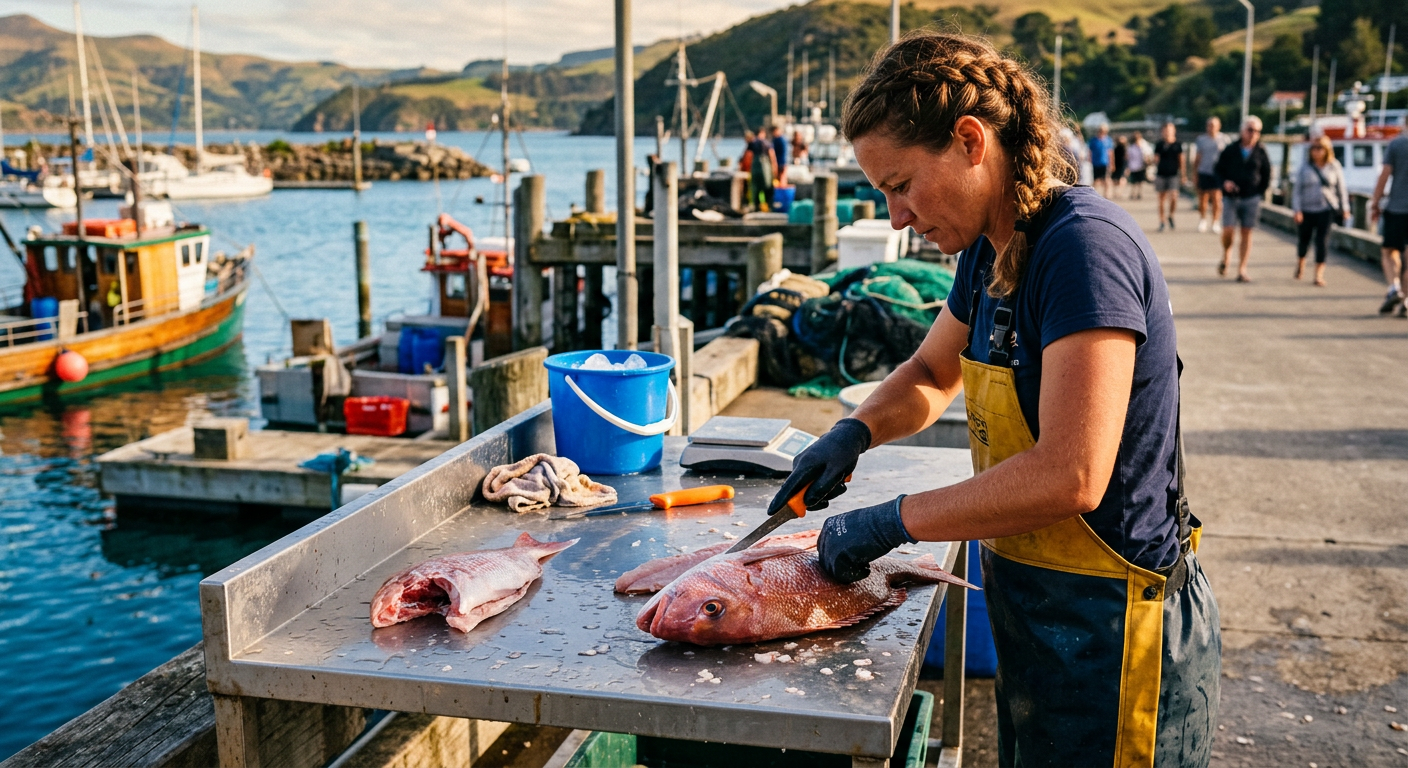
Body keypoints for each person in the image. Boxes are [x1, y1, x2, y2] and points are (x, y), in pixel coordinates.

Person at [776, 32, 1219, 766]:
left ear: (971, 141)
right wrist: (852, 434)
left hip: (1116, 634)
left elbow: (1071, 474)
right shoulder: (990, 248)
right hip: (1036, 615)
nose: (894, 218)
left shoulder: (1083, 251)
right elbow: (930, 374)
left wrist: (892, 523)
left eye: (902, 183)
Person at [1214, 116, 1271, 282]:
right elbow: (1218, 170)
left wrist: (1259, 192)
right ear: (1242, 130)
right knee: (1228, 230)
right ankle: (1226, 255)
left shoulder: (1261, 151)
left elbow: (1267, 174)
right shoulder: (1230, 149)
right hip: (1231, 197)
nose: (1254, 134)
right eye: (1250, 130)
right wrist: (1224, 183)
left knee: (1247, 232)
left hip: (1251, 197)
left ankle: (1242, 269)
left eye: (1257, 131)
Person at [1292, 135, 1348, 287]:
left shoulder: (1334, 166)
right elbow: (1296, 191)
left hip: (1326, 209)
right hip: (1306, 209)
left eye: (1319, 148)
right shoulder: (1305, 166)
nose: (1316, 151)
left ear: (1326, 150)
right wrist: (1297, 210)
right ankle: (1301, 263)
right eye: (1313, 148)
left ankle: (1318, 275)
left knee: (1322, 241)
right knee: (1304, 240)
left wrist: (1345, 208)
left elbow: (1341, 188)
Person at [1369, 129, 1408, 315]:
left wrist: (1375, 202)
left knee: (1388, 251)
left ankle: (1394, 287)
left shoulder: (1397, 144)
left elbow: (1385, 174)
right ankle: (1406, 301)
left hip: (1397, 208)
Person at [1192, 117, 1228, 234]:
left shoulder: (1224, 139)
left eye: (1213, 125)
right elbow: (1197, 158)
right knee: (1203, 198)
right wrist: (1195, 174)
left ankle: (1215, 222)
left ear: (1219, 126)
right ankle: (1202, 219)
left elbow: (1228, 158)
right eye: (1209, 125)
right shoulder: (1201, 140)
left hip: (1218, 173)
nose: (1211, 128)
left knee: (1217, 199)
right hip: (1204, 171)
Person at [1153, 122, 1184, 232]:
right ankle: (1162, 221)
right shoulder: (1159, 144)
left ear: (1174, 131)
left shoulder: (1177, 145)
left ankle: (1171, 214)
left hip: (1173, 174)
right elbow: (1156, 159)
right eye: (1165, 130)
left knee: (1174, 196)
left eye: (1169, 130)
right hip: (1161, 173)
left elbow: (1181, 160)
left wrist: (1183, 175)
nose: (1167, 133)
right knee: (1161, 199)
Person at [1088, 123, 1113, 197]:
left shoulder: (1108, 140)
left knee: (1106, 179)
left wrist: (1111, 163)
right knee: (1095, 179)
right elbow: (1090, 151)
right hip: (1096, 162)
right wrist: (1089, 159)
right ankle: (1094, 194)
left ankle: (1106, 194)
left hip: (1104, 162)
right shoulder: (1093, 140)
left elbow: (1110, 152)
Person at [1127, 130, 1151, 200]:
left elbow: (1148, 154)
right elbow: (1129, 157)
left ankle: (1139, 193)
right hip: (1133, 166)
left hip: (1141, 166)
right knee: (1133, 182)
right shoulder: (1131, 147)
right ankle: (1133, 193)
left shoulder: (1143, 145)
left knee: (1140, 181)